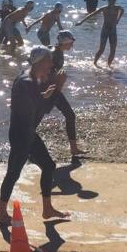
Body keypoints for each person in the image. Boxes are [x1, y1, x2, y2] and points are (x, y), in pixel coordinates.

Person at [0, 47, 71, 226]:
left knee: (49, 165)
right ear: (38, 62)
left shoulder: (31, 78)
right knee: (13, 173)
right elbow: (44, 108)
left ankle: (47, 209)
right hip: (21, 134)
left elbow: (37, 102)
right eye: (48, 61)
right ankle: (0, 213)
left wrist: (47, 92)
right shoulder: (27, 81)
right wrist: (59, 86)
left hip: (28, 132)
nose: (51, 64)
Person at [50, 31, 87, 159]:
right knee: (70, 115)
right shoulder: (55, 53)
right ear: (65, 42)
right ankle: (73, 148)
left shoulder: (56, 50)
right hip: (50, 90)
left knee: (70, 115)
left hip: (53, 89)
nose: (72, 45)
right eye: (71, 42)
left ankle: (74, 148)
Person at [76, 0, 124, 67]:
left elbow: (123, 10)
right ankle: (95, 63)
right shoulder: (104, 8)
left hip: (113, 31)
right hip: (105, 30)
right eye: (111, 0)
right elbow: (92, 14)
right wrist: (81, 22)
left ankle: (109, 65)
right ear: (108, 0)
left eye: (114, 0)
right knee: (101, 49)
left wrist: (118, 19)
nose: (112, 2)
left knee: (113, 50)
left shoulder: (117, 8)